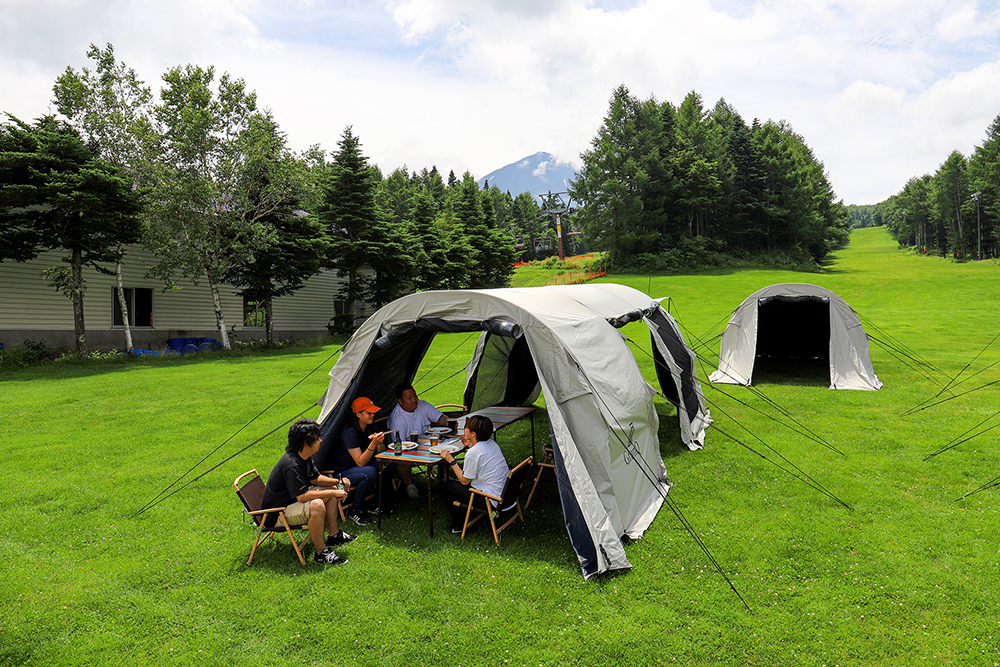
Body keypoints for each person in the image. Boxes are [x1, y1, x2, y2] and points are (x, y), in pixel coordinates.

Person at [261, 418, 355, 565]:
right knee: (317, 504)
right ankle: (321, 553)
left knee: (330, 492)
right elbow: (303, 496)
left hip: (291, 504)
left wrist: (337, 482)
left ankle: (334, 536)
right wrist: (332, 492)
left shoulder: (303, 457)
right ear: (306, 442)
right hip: (277, 514)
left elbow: (316, 479)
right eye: (317, 438)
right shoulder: (291, 465)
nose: (321, 441)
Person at [329, 396, 395, 526]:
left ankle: (376, 503)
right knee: (369, 472)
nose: (372, 415)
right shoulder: (349, 432)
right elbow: (360, 462)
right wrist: (372, 444)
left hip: (360, 466)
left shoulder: (371, 425)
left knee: (388, 465)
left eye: (373, 412)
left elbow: (381, 454)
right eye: (369, 413)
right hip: (342, 471)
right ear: (358, 414)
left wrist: (379, 443)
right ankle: (356, 510)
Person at [440, 414, 510, 534]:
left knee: (449, 486)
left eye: (466, 427)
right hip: (507, 495)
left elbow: (464, 481)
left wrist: (450, 460)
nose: (464, 429)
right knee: (458, 485)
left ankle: (459, 526)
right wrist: (471, 445)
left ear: (473, 434)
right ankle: (470, 517)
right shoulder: (492, 444)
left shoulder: (474, 452)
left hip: (492, 501)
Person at [387, 382, 448, 498]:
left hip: (426, 444)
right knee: (401, 460)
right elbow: (401, 445)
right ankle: (410, 486)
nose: (414, 400)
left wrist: (448, 422)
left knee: (444, 445)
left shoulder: (423, 405)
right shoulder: (397, 419)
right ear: (400, 401)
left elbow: (440, 417)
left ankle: (443, 477)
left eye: (415, 396)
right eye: (409, 398)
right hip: (407, 450)